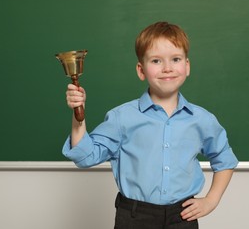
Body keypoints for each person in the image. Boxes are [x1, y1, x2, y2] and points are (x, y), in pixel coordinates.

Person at [62, 21, 238, 229]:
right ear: (141, 70)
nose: (167, 68)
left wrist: (211, 200)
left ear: (187, 66)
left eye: (176, 59)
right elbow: (84, 157)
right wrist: (78, 116)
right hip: (135, 217)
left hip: (181, 217)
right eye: (156, 61)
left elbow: (224, 159)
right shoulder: (122, 118)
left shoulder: (202, 119)